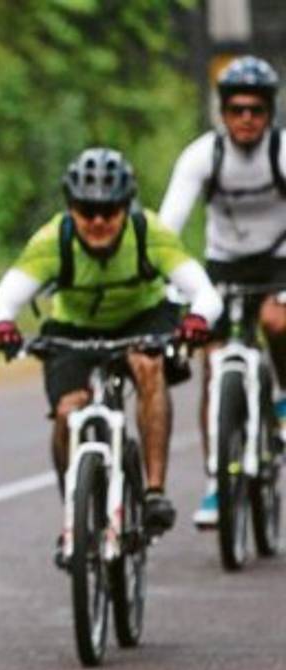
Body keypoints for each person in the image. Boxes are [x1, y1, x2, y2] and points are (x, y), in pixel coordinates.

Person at [0, 147, 222, 553]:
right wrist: (2, 327)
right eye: (86, 210)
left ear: (126, 208)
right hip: (73, 330)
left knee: (148, 367)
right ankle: (74, 511)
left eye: (109, 211)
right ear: (71, 208)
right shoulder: (52, 241)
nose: (98, 221)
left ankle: (154, 491)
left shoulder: (149, 233)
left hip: (142, 319)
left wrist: (197, 320)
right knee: (67, 411)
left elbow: (205, 294)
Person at [158, 55, 286, 528]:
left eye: (256, 110)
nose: (246, 119)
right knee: (213, 366)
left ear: (270, 113)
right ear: (223, 112)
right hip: (223, 264)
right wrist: (167, 282)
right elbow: (167, 230)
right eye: (236, 110)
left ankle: (283, 397)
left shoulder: (281, 153)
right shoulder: (202, 156)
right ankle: (217, 480)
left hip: (279, 262)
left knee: (275, 322)